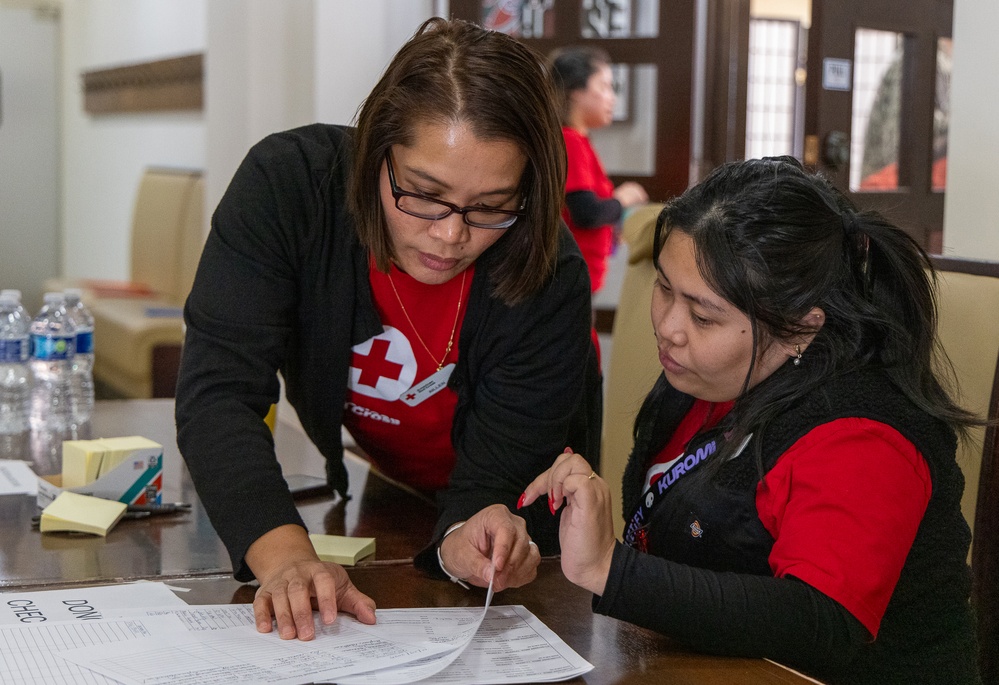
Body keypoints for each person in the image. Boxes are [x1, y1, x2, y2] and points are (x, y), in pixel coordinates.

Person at [175, 18, 600, 642]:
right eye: (424, 194)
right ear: (376, 151)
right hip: (388, 492)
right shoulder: (288, 189)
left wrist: (467, 537)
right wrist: (284, 554)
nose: (452, 235)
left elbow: (500, 472)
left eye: (490, 206)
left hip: (500, 499)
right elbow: (220, 390)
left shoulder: (547, 268)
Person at [521, 157, 982, 684]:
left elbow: (820, 622)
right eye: (665, 288)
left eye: (702, 316)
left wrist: (610, 568)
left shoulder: (862, 434)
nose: (668, 328)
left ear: (801, 330)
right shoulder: (703, 378)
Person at [549, 46, 648, 296]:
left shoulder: (578, 141)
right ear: (575, 92)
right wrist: (623, 198)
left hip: (577, 279)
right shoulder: (569, 140)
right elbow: (586, 212)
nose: (612, 97)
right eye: (604, 86)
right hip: (567, 280)